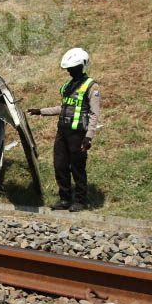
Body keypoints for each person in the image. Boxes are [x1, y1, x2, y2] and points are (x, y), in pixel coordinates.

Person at [27, 48, 100, 213]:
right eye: (68, 68)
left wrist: (88, 137)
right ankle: (65, 199)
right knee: (60, 166)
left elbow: (94, 114)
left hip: (78, 135)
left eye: (72, 68)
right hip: (62, 133)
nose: (69, 71)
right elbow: (63, 107)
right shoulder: (67, 85)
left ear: (82, 66)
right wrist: (41, 111)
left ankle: (80, 201)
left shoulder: (91, 86)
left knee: (77, 168)